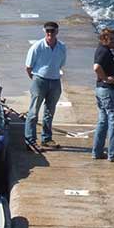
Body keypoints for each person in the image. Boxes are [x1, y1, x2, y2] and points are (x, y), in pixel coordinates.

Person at [24, 21, 67, 150]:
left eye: (52, 31)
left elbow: (61, 64)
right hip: (39, 80)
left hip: (54, 81)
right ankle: (30, 140)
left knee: (50, 111)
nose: (50, 34)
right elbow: (28, 67)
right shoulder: (37, 47)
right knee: (33, 112)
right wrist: (35, 79)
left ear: (57, 32)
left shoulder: (62, 47)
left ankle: (46, 138)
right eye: (48, 31)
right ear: (44, 32)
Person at [92, 27, 114, 162]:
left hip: (102, 90)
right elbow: (96, 67)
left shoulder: (108, 50)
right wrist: (106, 78)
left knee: (103, 121)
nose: (113, 41)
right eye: (110, 39)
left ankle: (98, 151)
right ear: (103, 39)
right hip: (107, 90)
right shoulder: (103, 51)